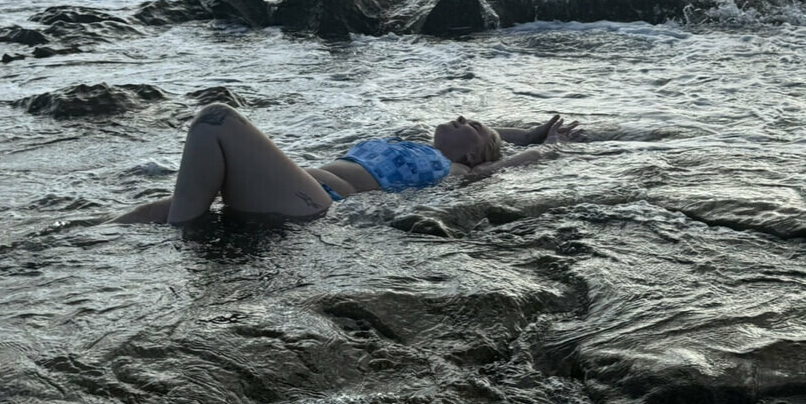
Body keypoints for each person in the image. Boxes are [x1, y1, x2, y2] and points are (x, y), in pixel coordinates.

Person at [112, 104, 585, 226]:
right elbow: (503, 138)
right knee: (148, 212)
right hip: (289, 191)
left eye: (473, 125)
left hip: (317, 202)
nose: (463, 118)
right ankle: (86, 235)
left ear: (473, 156)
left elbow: (508, 161)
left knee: (216, 120)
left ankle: (189, 238)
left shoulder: (462, 171)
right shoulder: (416, 145)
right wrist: (528, 130)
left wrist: (547, 145)